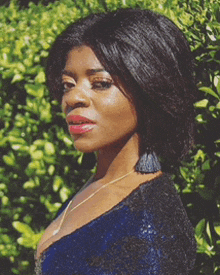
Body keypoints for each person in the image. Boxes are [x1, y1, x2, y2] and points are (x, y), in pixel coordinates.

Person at [35, 8, 197, 274]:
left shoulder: (152, 228)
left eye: (100, 83)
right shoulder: (99, 183)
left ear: (148, 88)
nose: (74, 97)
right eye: (68, 83)